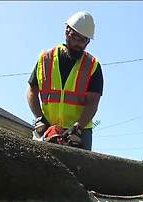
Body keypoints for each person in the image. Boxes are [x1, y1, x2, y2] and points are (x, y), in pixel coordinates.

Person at [26, 11, 103, 151]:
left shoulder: (93, 65)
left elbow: (93, 102)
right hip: (47, 126)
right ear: (67, 31)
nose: (78, 44)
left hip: (80, 129)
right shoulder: (46, 59)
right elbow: (32, 90)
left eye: (83, 40)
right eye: (75, 37)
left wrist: (78, 127)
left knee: (81, 168)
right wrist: (39, 118)